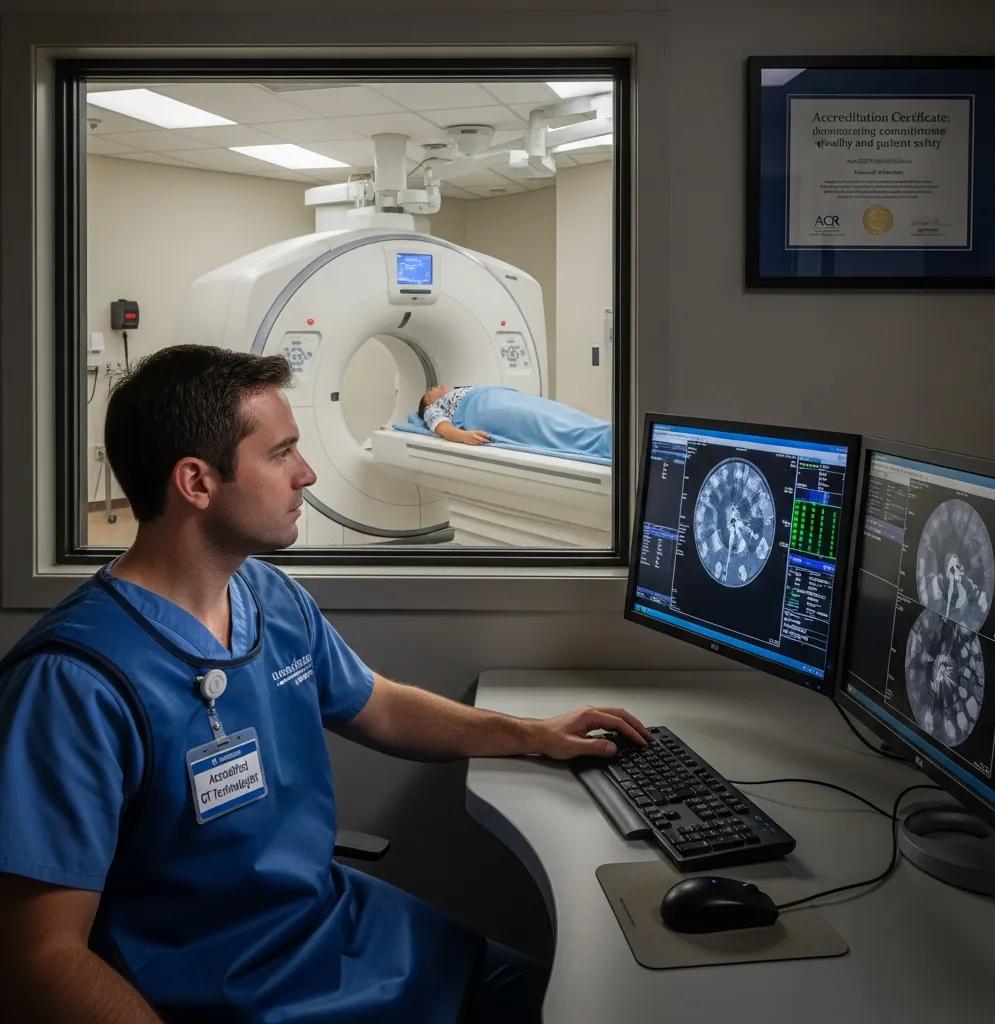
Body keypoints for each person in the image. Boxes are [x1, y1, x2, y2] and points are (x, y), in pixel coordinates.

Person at [0, 345, 649, 1024]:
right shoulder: (72, 684)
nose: (306, 474)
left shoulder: (268, 597)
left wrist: (531, 735)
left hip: (340, 925)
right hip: (238, 988)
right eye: (281, 454)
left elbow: (383, 707)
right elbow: (40, 957)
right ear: (197, 482)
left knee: (567, 998)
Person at [417, 384, 611, 460]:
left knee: (559, 413)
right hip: (488, 409)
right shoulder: (434, 408)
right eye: (430, 389)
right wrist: (462, 436)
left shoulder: (462, 388)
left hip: (502, 398)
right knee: (544, 423)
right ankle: (603, 443)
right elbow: (441, 426)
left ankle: (607, 432)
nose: (436, 386)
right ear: (429, 401)